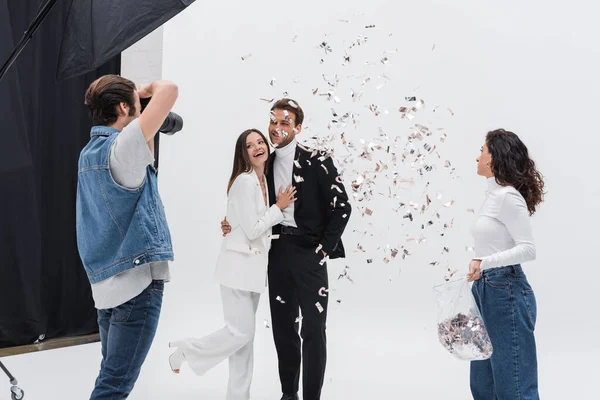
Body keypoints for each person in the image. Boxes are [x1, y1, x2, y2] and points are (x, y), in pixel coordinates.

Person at [221, 99, 352, 400]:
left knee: (314, 330)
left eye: (284, 122)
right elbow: (249, 206)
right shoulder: (263, 164)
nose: (277, 128)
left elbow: (342, 206)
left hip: (310, 252)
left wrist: (324, 248)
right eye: (273, 122)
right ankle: (288, 394)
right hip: (276, 253)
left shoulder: (318, 160)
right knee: (283, 328)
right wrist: (230, 223)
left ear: (297, 127)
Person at [168, 128, 296, 399]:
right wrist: (279, 207)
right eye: (250, 145)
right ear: (244, 153)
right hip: (237, 270)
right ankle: (187, 350)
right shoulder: (245, 181)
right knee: (240, 335)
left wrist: (231, 224)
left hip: (253, 272)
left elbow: (239, 222)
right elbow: (253, 229)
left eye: (261, 142)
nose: (258, 147)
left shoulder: (265, 181)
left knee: (243, 344)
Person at [76, 75, 179, 399]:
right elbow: (170, 90)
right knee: (114, 386)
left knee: (110, 377)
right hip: (135, 289)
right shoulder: (122, 149)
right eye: (133, 103)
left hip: (107, 289)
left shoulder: (90, 154)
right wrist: (145, 91)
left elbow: (145, 155)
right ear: (123, 106)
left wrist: (140, 105)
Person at [467, 129, 544, 399]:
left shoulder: (508, 197)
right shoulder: (493, 196)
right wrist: (479, 266)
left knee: (514, 388)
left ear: (495, 158)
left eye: (482, 151)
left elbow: (527, 249)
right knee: (483, 387)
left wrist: (484, 261)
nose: (477, 157)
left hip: (506, 293)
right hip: (486, 290)